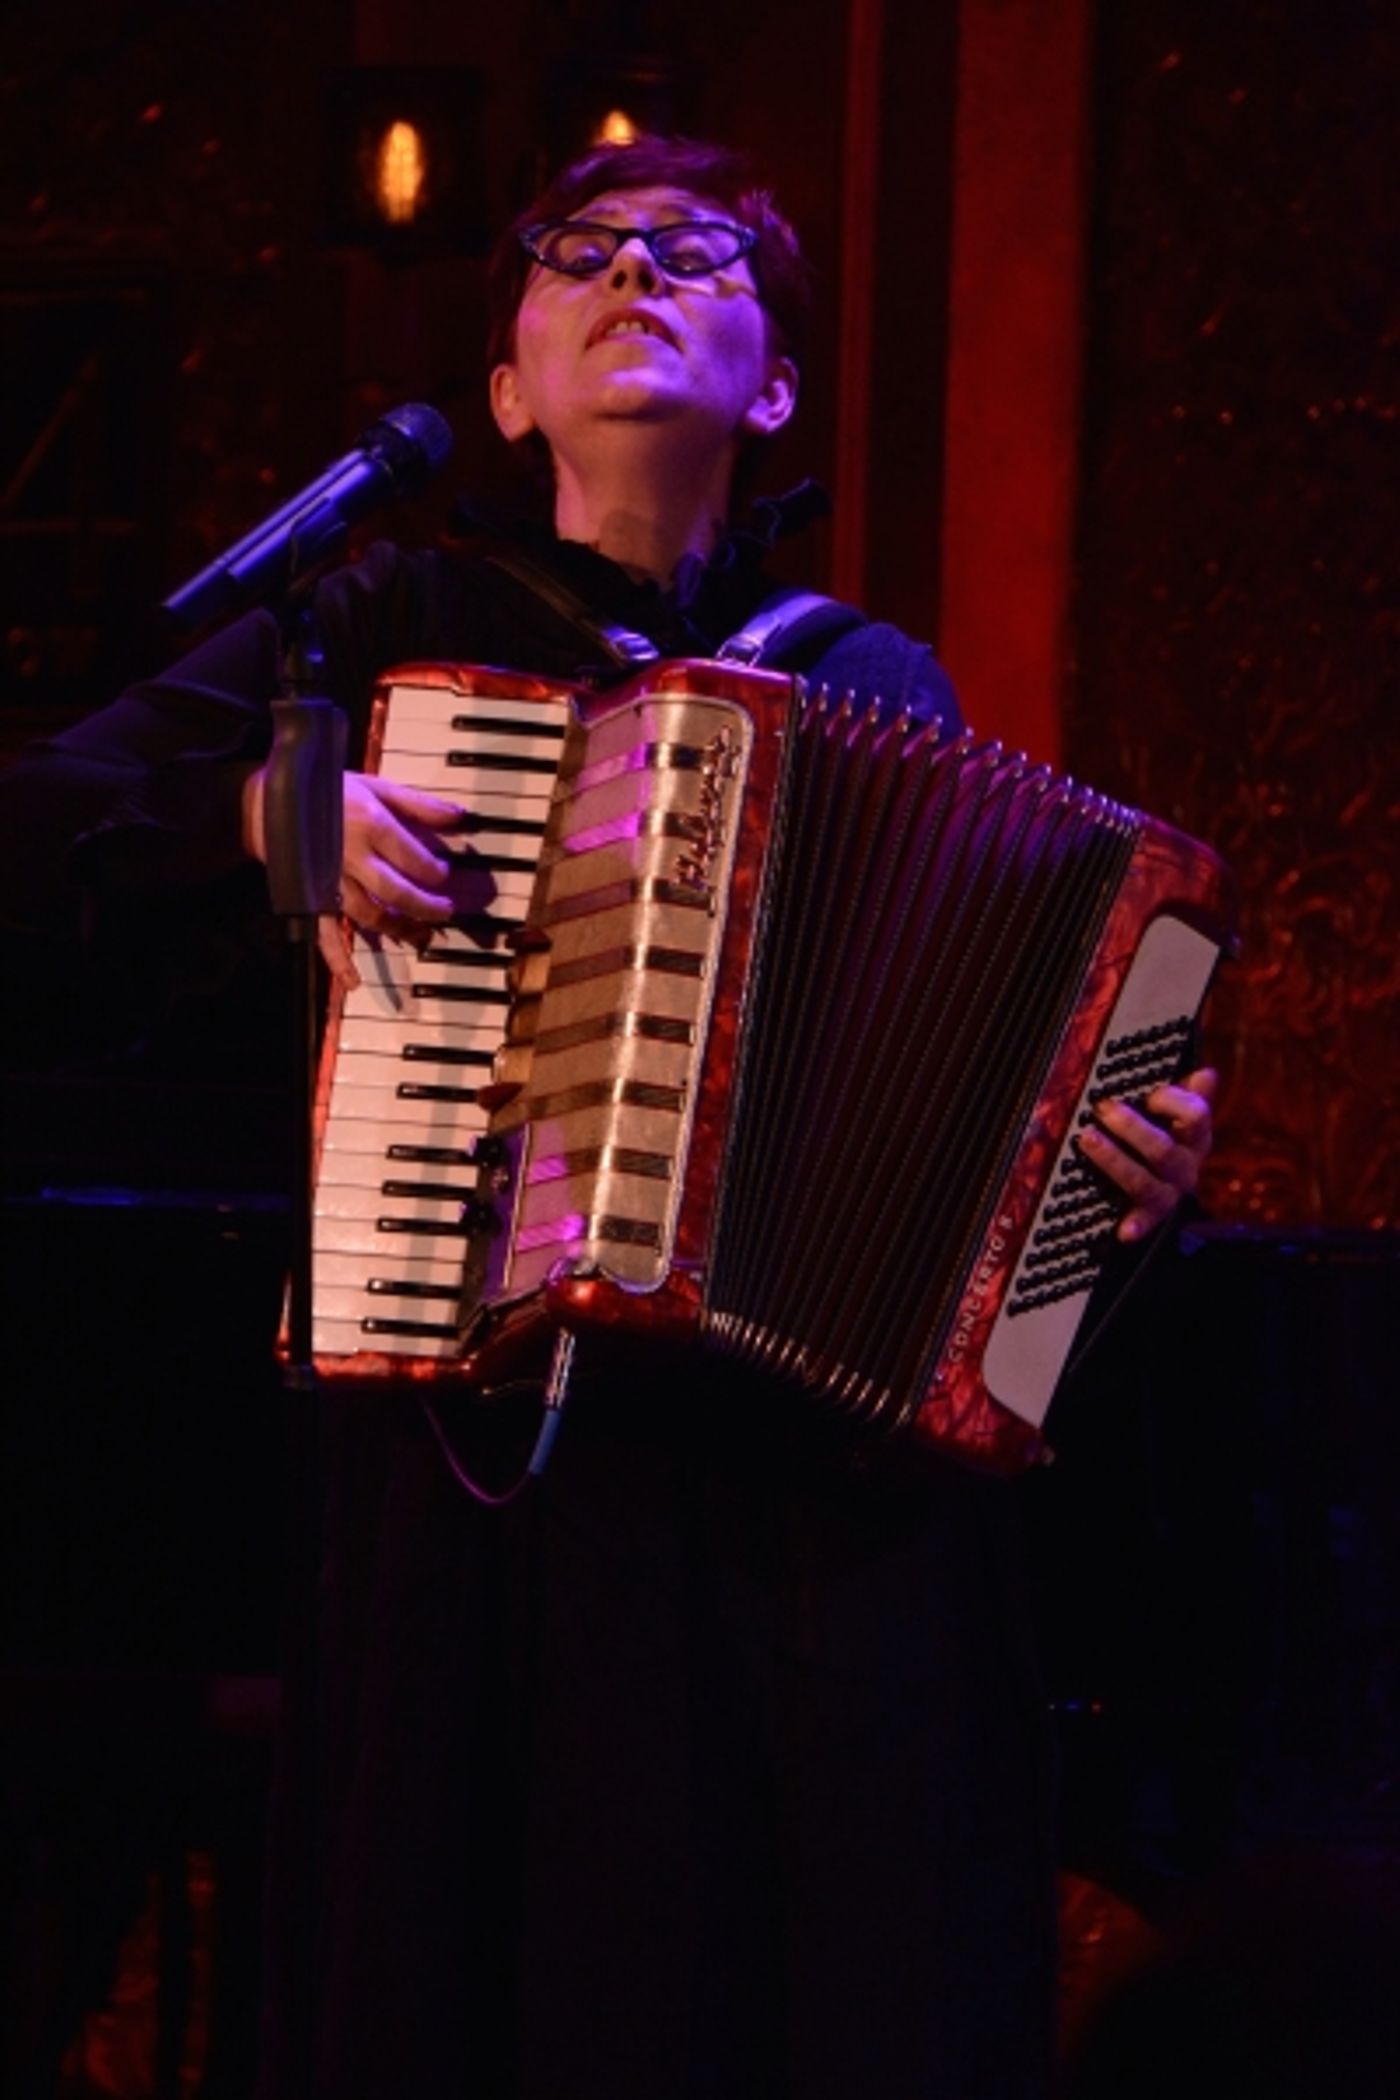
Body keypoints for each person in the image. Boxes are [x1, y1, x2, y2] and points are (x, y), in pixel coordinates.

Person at [3, 137, 1216, 2099]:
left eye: (695, 253)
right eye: (577, 255)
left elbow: (1025, 1107)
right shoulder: (380, 618)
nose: (633, 271)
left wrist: (1120, 1176)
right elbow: (43, 813)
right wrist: (264, 819)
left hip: (790, 1491)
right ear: (501, 387)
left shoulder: (871, 684)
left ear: (775, 387)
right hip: (480, 1470)